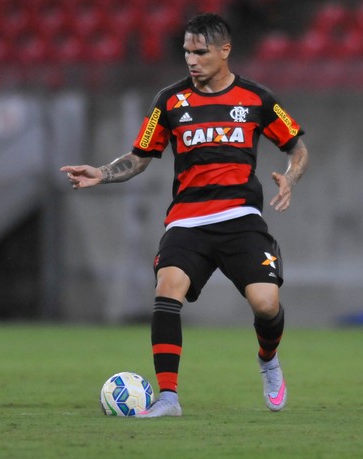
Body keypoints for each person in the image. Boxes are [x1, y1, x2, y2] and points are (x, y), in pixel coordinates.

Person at [60, 13, 308, 417]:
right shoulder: (170, 101)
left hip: (241, 218)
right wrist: (102, 173)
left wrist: (292, 178)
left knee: (266, 304)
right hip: (187, 221)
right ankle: (169, 398)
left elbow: (296, 146)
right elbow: (140, 157)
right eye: (186, 51)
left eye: (200, 51)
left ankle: (268, 360)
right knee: (167, 287)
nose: (191, 60)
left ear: (224, 51)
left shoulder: (257, 99)